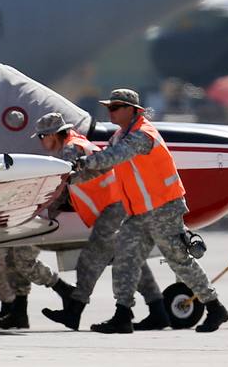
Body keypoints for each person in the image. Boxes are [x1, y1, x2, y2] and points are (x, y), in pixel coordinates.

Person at [69, 89, 228, 333]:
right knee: (125, 257)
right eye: (109, 108)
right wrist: (72, 176)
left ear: (132, 110)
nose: (109, 112)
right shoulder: (121, 135)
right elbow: (105, 164)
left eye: (115, 107)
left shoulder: (142, 135)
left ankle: (215, 308)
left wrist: (84, 161)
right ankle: (123, 315)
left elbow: (113, 157)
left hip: (163, 209)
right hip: (140, 212)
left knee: (179, 261)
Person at [32, 112, 166, 332]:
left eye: (41, 137)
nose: (41, 142)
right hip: (117, 203)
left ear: (52, 134)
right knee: (129, 259)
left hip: (114, 206)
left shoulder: (70, 148)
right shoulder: (76, 143)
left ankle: (74, 311)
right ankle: (157, 309)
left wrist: (43, 210)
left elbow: (64, 182)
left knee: (90, 258)